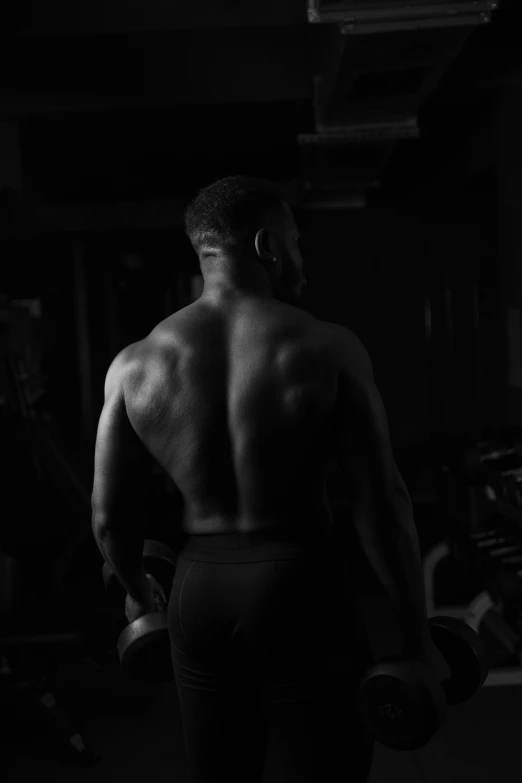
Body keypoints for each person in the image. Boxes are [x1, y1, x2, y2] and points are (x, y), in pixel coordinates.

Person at [92, 175, 441, 783]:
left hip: (196, 593)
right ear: (266, 246)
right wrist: (416, 637)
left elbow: (107, 516)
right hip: (297, 584)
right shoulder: (329, 348)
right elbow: (381, 501)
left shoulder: (134, 364)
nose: (300, 258)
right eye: (295, 243)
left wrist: (135, 589)